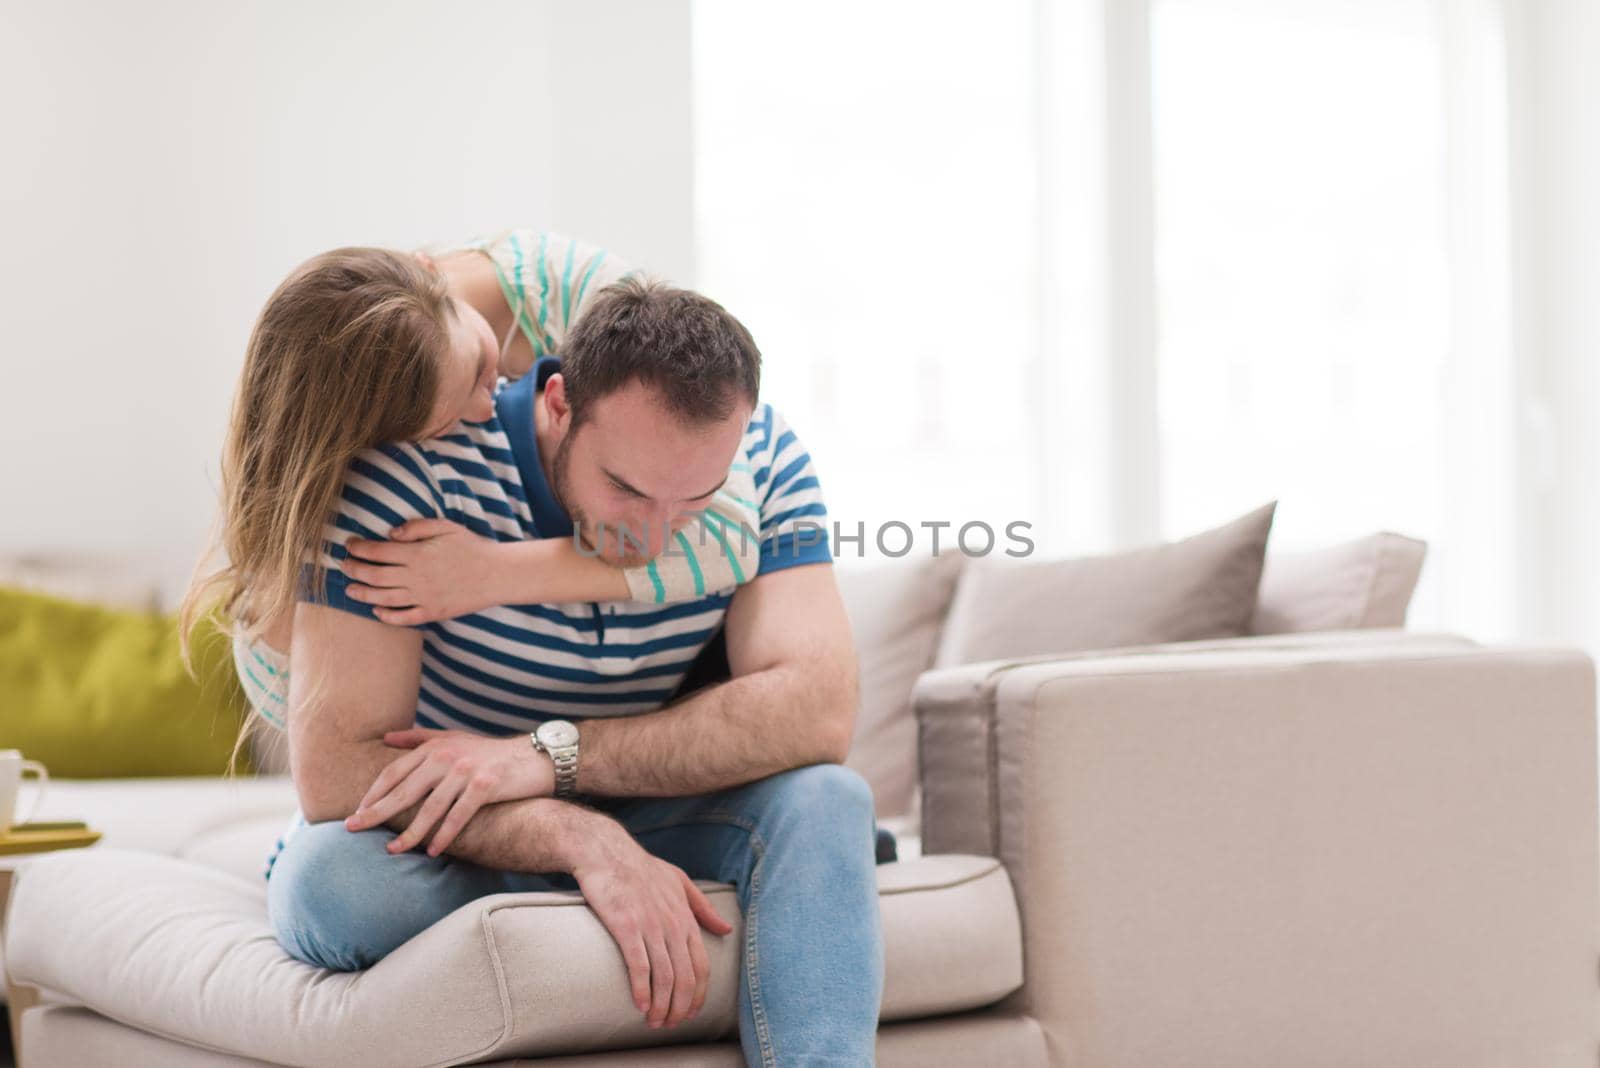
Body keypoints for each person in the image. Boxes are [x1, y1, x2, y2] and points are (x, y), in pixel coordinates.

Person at [183, 251, 884, 1066]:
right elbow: (337, 771)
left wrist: (546, 760)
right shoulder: (410, 462)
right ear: (559, 402)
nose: (654, 540)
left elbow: (817, 710)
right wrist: (581, 841)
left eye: (693, 504)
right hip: (478, 829)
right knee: (330, 884)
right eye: (625, 488)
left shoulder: (761, 463)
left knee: (829, 798)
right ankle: (618, 886)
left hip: (657, 806)